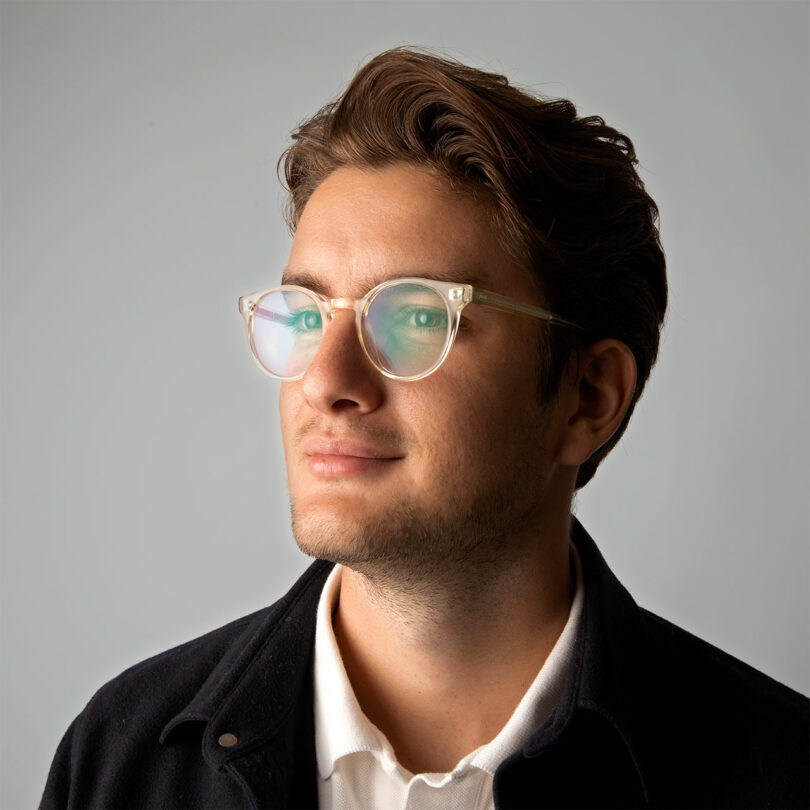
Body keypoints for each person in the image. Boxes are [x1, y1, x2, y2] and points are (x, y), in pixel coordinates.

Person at [40, 47, 808, 810]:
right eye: (306, 316)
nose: (326, 382)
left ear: (588, 397)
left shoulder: (783, 774)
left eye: (414, 317)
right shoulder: (121, 762)